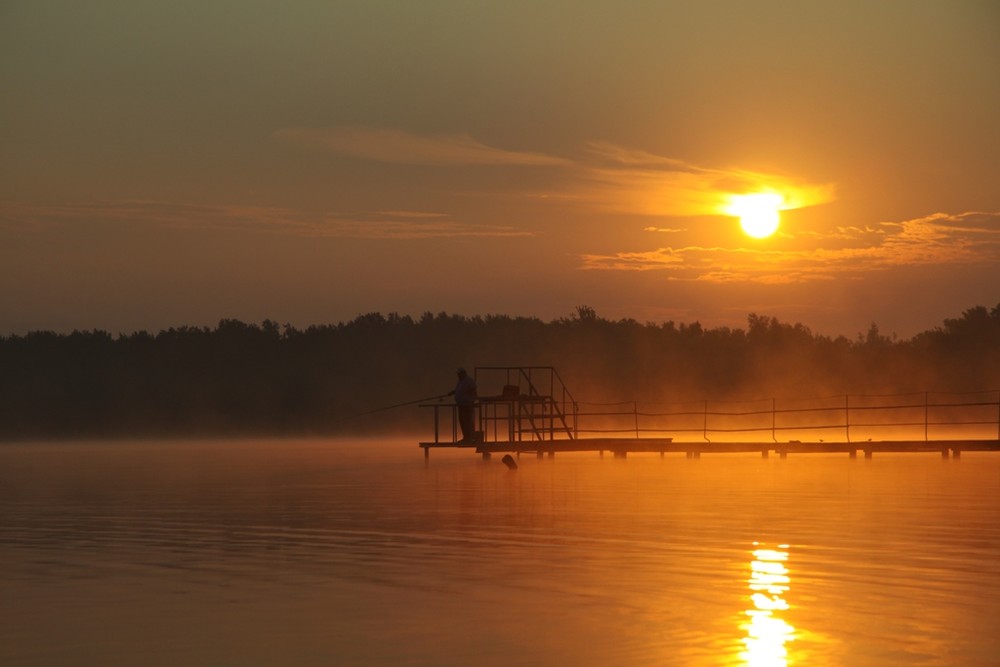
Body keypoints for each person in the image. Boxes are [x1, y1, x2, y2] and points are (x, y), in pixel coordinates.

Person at [448, 367, 478, 443]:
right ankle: (466, 437)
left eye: (459, 374)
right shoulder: (460, 381)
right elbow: (460, 390)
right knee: (462, 421)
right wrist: (454, 392)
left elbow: (473, 389)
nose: (458, 375)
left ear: (463, 373)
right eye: (458, 374)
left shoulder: (469, 380)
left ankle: (470, 437)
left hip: (467, 404)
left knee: (468, 421)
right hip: (461, 404)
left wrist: (470, 397)